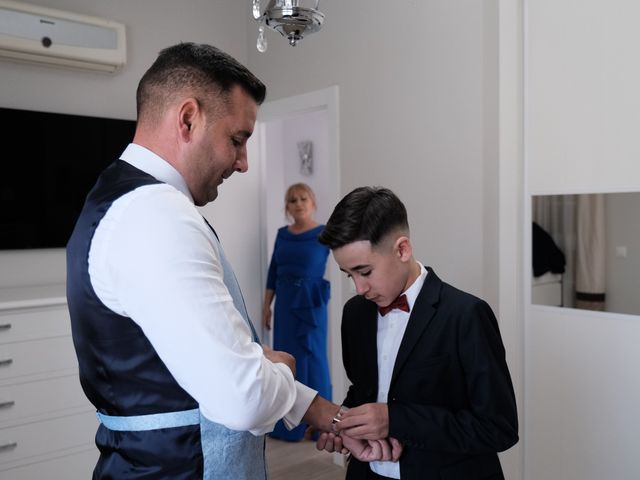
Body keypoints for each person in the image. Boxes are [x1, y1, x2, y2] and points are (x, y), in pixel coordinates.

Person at [66, 42, 343, 479]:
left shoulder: (123, 198)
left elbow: (206, 360)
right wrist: (281, 368)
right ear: (188, 118)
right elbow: (243, 396)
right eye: (237, 139)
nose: (244, 162)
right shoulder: (155, 214)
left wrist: (323, 411)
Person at [315, 186, 519, 480]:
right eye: (349, 275)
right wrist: (346, 423)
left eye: (365, 272)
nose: (359, 289)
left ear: (402, 249)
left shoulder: (466, 315)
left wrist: (395, 421)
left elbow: (499, 428)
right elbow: (365, 389)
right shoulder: (355, 314)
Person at [262, 183, 332, 441]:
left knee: (314, 359)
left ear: (313, 202)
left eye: (303, 198)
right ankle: (287, 427)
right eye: (292, 200)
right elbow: (273, 271)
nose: (298, 203)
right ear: (287, 207)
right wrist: (266, 305)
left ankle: (321, 425)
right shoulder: (282, 234)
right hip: (284, 304)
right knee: (284, 361)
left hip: (311, 304)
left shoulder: (325, 233)